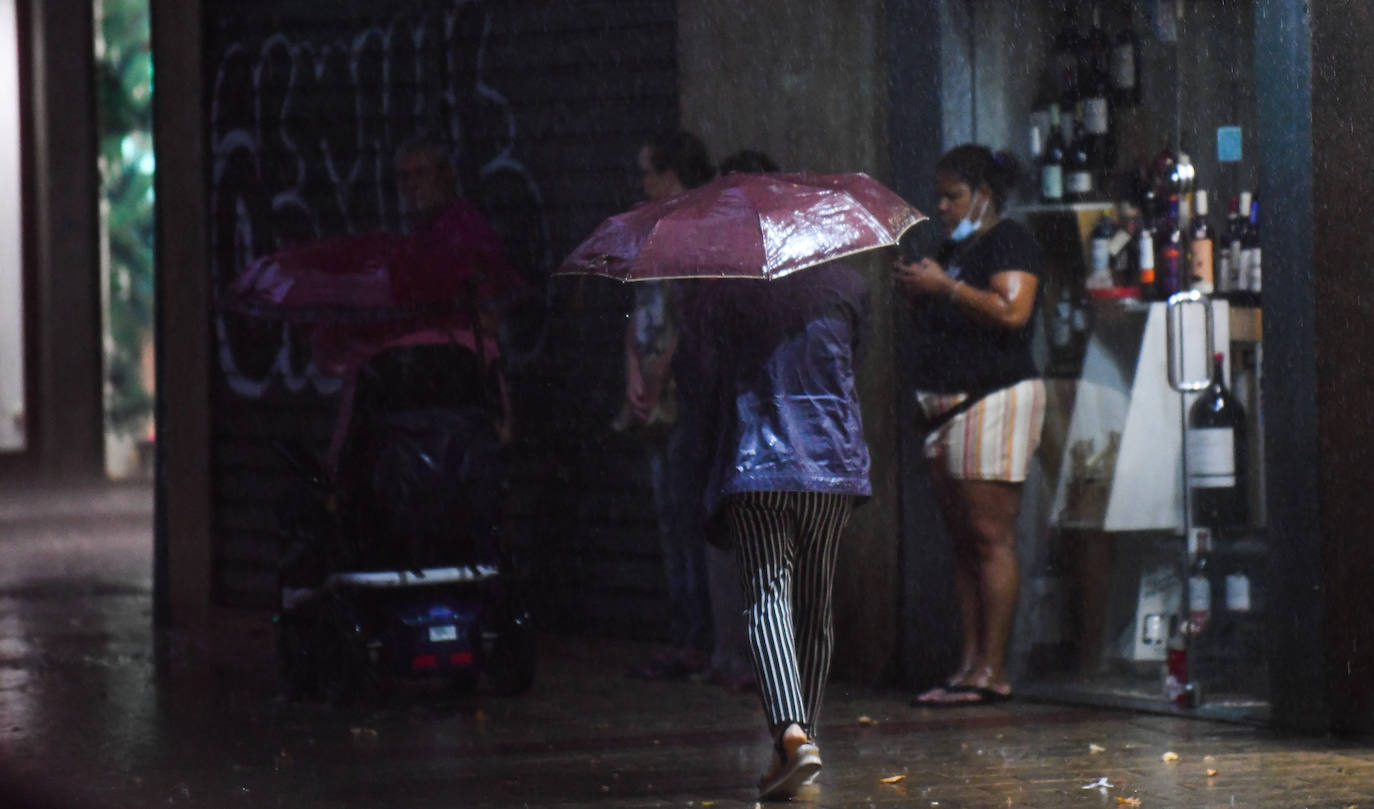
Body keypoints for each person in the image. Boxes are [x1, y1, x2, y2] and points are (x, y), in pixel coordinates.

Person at [684, 261, 871, 800]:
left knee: (768, 595)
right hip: (833, 463)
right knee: (814, 607)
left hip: (757, 462)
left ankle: (792, 736)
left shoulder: (723, 291)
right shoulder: (850, 283)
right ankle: (797, 745)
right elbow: (852, 362)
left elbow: (702, 375)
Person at [893, 144, 1046, 707]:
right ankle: (969, 664)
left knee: (989, 537)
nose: (943, 206)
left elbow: (1011, 311)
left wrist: (947, 288)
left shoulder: (1011, 241)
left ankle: (993, 671)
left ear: (984, 193)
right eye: (939, 195)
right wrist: (920, 290)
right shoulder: (954, 248)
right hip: (945, 405)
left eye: (953, 195)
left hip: (993, 397)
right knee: (963, 543)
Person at [620, 131, 719, 680]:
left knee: (688, 514)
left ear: (668, 173)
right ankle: (684, 633)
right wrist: (634, 371)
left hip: (683, 394)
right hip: (654, 389)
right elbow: (641, 308)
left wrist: (660, 371)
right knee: (667, 516)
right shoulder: (652, 232)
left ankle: (700, 637)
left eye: (646, 172)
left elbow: (691, 313)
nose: (641, 183)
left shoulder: (697, 230)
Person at [692, 148, 783, 694]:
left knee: (760, 544)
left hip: (764, 418)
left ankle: (759, 659)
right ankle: (735, 654)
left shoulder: (781, 263)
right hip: (729, 415)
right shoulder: (715, 259)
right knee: (727, 538)